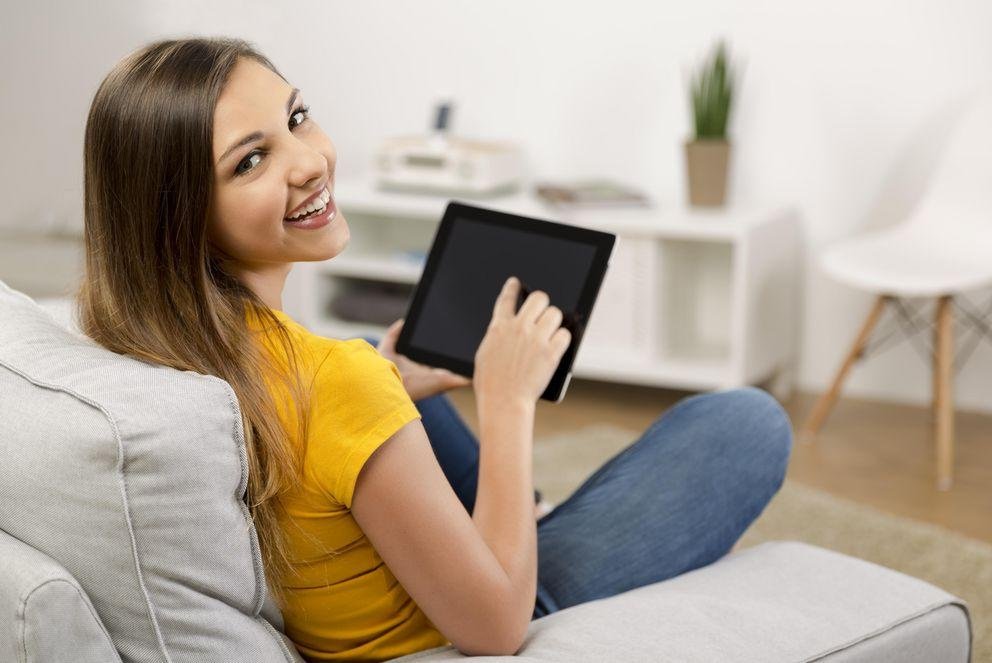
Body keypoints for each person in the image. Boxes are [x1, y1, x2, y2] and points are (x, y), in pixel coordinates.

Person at [75, 36, 793, 662]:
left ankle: (526, 514)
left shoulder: (148, 335)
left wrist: (382, 383)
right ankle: (529, 524)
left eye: (296, 118)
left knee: (367, 349)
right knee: (746, 422)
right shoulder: (334, 383)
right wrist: (505, 400)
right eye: (252, 160)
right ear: (178, 215)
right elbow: (495, 627)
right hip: (462, 615)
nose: (309, 161)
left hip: (368, 558)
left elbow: (318, 424)